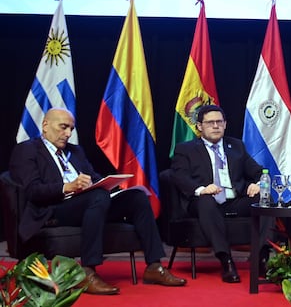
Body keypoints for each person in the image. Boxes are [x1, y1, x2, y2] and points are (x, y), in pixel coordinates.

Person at [9, 108, 186, 295]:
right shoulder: (27, 150)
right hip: (54, 209)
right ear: (45, 125)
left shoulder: (75, 152)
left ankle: (154, 266)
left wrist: (109, 184)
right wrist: (66, 187)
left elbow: (93, 178)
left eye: (70, 128)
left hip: (89, 204)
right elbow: (32, 190)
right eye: (63, 127)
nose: (68, 133)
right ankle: (88, 270)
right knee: (97, 197)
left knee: (136, 197)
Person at [171, 105, 264, 283]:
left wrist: (259, 184)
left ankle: (262, 257)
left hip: (234, 200)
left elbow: (258, 171)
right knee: (207, 201)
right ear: (199, 126)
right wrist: (201, 189)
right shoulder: (186, 149)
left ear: (225, 124)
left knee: (265, 199)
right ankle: (226, 260)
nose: (215, 126)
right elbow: (178, 175)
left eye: (219, 122)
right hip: (203, 203)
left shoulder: (236, 146)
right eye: (210, 122)